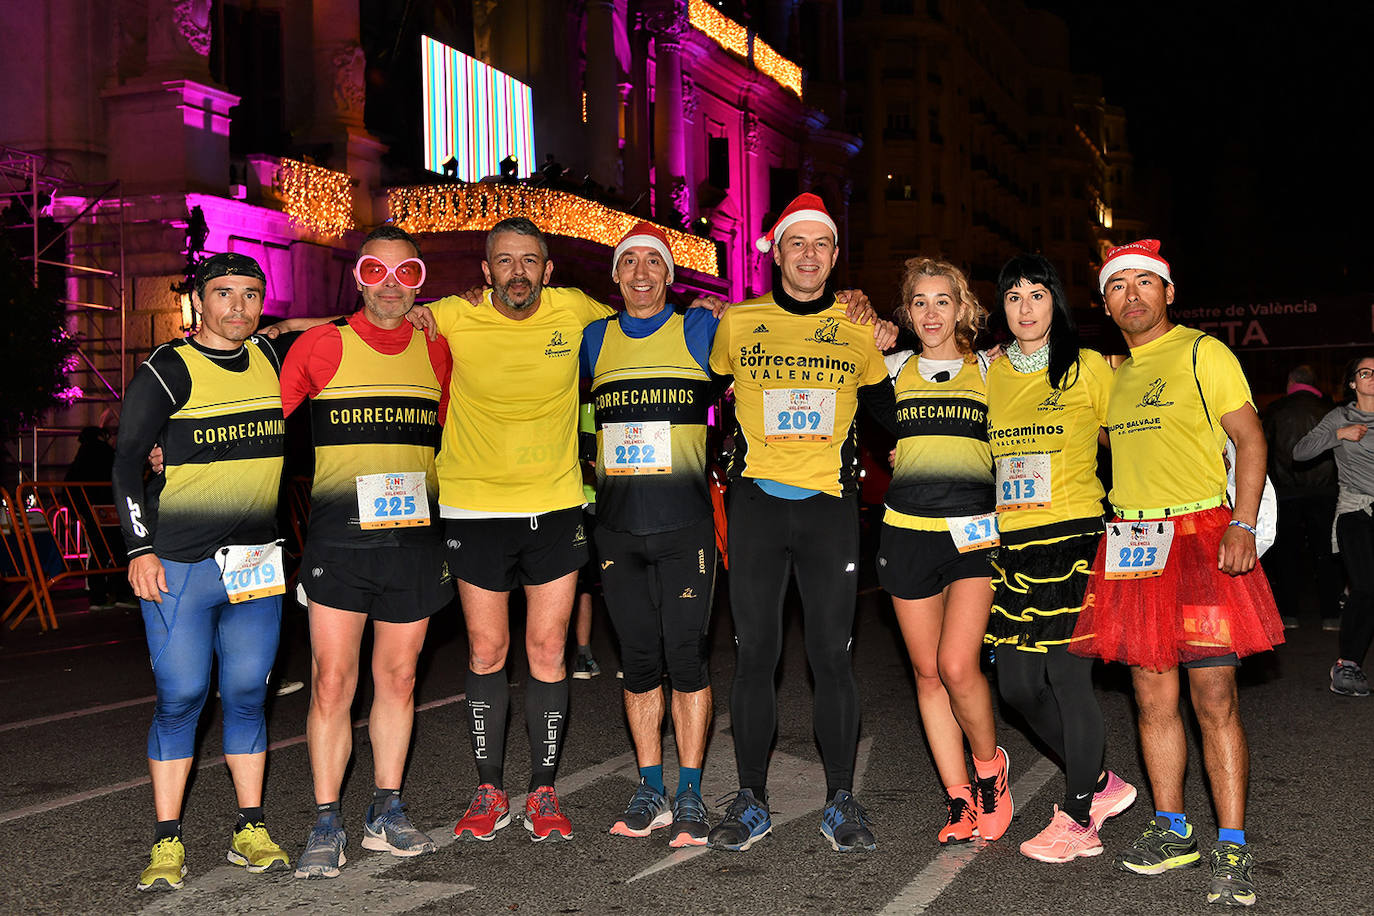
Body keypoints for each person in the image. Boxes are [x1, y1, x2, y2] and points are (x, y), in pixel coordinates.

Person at [1071, 240, 1283, 908]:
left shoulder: (1202, 352)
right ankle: (1172, 829)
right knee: (1150, 696)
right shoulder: (1111, 375)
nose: (1131, 296)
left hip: (1200, 540)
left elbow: (1250, 439)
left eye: (1144, 283)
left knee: (1213, 697)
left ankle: (1233, 842)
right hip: (1135, 542)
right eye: (1117, 287)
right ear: (1105, 303)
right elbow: (1111, 440)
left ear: (1167, 292)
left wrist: (1242, 524)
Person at [705, 193, 895, 853]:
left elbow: (891, 419)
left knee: (831, 657)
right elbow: (695, 392)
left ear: (835, 256)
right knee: (754, 655)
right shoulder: (739, 320)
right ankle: (750, 798)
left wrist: (899, 336)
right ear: (776, 252)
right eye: (796, 242)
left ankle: (842, 801)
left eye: (821, 244)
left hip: (830, 512)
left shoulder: (857, 329)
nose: (808, 255)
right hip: (757, 505)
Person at [424, 217, 616, 843]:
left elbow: (650, 316)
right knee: (486, 652)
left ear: (547, 270)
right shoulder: (453, 313)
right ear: (485, 271)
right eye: (504, 261)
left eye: (529, 260)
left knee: (548, 651)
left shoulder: (577, 310)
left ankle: (542, 791)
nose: (517, 272)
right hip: (474, 509)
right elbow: (381, 317)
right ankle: (489, 788)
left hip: (556, 506)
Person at [113, 252, 291, 890]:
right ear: (198, 300)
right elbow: (127, 461)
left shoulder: (272, 357)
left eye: (250, 293)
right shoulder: (168, 368)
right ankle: (167, 842)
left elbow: (344, 324)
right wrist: (138, 549)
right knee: (182, 697)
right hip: (179, 565)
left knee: (247, 695)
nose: (238, 306)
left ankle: (251, 828)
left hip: (254, 561)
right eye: (224, 293)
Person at [281, 225, 453, 877]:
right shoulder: (322, 344)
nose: (389, 285)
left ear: (419, 282)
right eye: (375, 272)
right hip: (339, 540)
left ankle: (387, 810)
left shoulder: (437, 351)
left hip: (412, 543)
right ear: (357, 278)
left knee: (400, 678)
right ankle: (327, 822)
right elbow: (259, 423)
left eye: (405, 273)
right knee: (331, 680)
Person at [984, 254, 1135, 863]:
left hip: (1077, 539)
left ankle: (1077, 815)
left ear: (1056, 303)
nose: (1025, 306)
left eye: (1037, 294)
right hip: (1014, 546)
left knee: (1070, 678)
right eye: (1013, 296)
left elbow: (1126, 440)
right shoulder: (988, 373)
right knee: (1017, 685)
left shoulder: (1088, 368)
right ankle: (1099, 782)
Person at [581, 222, 727, 847]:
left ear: (670, 275)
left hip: (685, 527)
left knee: (687, 660)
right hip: (616, 531)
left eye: (654, 263)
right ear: (614, 276)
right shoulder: (593, 339)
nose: (641, 273)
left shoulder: (701, 329)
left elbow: (775, 329)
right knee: (639, 665)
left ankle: (690, 791)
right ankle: (650, 788)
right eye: (630, 262)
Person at [874, 257, 1013, 848]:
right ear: (907, 313)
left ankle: (990, 772)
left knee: (958, 666)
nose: (931, 314)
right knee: (928, 674)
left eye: (943, 301)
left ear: (964, 308)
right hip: (906, 532)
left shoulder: (992, 369)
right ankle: (958, 798)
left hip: (975, 535)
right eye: (920, 303)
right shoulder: (887, 368)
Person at [1293, 354, 1374, 697]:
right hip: (1356, 512)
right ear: (1353, 382)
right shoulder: (1340, 416)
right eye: (1365, 372)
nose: (1372, 377)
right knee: (1367, 587)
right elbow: (1300, 452)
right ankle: (1348, 665)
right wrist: (1338, 434)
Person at [1262, 366, 1341, 629]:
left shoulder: (1275, 411)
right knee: (1326, 554)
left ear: (1291, 381)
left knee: (1287, 555)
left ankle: (1289, 614)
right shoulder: (1330, 411)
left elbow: (1262, 452)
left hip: (1286, 494)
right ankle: (1331, 615)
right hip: (1325, 492)